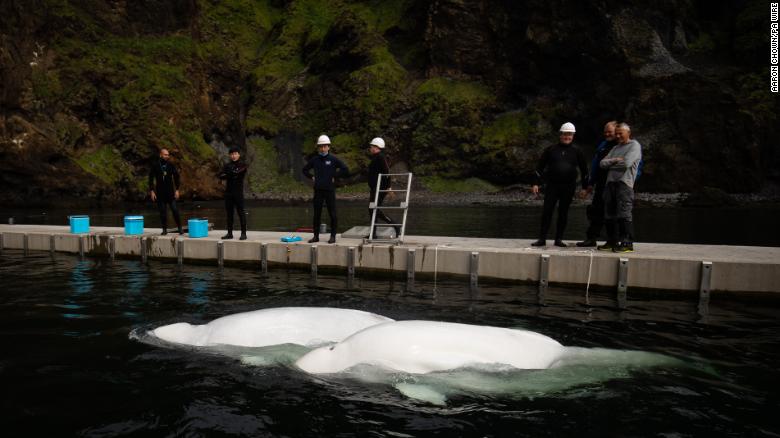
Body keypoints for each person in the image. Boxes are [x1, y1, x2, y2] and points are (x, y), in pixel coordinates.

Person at [531, 122, 588, 247]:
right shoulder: (551, 149)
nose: (567, 137)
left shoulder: (577, 151)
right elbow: (539, 167)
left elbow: (584, 171)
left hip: (568, 186)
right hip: (552, 185)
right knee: (547, 211)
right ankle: (542, 239)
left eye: (570, 135)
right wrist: (535, 183)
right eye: (565, 134)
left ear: (573, 136)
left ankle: (559, 239)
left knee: (563, 212)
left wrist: (585, 187)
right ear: (560, 135)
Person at [598, 122, 642, 252]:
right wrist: (615, 160)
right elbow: (602, 163)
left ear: (628, 133)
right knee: (609, 214)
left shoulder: (634, 146)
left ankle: (627, 243)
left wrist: (611, 163)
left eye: (620, 133)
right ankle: (612, 241)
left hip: (624, 184)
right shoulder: (616, 148)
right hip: (610, 183)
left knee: (624, 213)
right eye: (616, 133)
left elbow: (627, 163)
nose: (617, 136)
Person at [576, 121, 618, 247]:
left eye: (610, 131)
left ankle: (612, 240)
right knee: (595, 211)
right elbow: (595, 166)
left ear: (617, 131)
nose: (607, 134)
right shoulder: (603, 145)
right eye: (605, 131)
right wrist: (590, 183)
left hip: (615, 184)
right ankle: (591, 238)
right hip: (601, 184)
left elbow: (635, 165)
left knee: (612, 213)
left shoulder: (622, 146)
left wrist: (633, 179)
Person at [302, 134, 349, 244]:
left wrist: (334, 176)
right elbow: (304, 170)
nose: (323, 148)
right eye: (321, 146)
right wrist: (311, 176)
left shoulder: (333, 159)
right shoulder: (315, 160)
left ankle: (333, 236)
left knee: (332, 214)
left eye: (325, 146)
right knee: (316, 214)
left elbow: (345, 170)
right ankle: (316, 236)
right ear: (318, 147)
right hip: (318, 190)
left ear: (328, 147)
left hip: (329, 190)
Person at [366, 137, 399, 236]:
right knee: (373, 209)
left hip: (380, 188)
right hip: (375, 188)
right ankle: (373, 233)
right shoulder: (376, 157)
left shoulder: (380, 157)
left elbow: (387, 172)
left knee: (373, 208)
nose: (370, 148)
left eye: (372, 146)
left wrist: (388, 187)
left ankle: (394, 224)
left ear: (376, 147)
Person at [148, 148, 182, 235]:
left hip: (170, 193)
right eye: (165, 155)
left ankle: (180, 228)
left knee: (175, 210)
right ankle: (164, 229)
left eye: (168, 155)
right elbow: (151, 178)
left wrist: (177, 190)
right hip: (160, 193)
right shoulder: (155, 165)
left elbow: (176, 177)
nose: (167, 156)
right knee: (163, 212)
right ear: (161, 155)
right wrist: (152, 191)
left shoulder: (170, 165)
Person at [218, 146, 248, 240]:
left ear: (239, 154)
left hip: (238, 193)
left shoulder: (243, 165)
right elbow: (220, 175)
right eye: (232, 154)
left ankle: (243, 233)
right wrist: (231, 174)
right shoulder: (227, 165)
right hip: (228, 193)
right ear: (229, 155)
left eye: (235, 153)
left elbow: (237, 173)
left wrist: (228, 174)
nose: (233, 156)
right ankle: (229, 233)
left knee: (240, 212)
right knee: (229, 214)